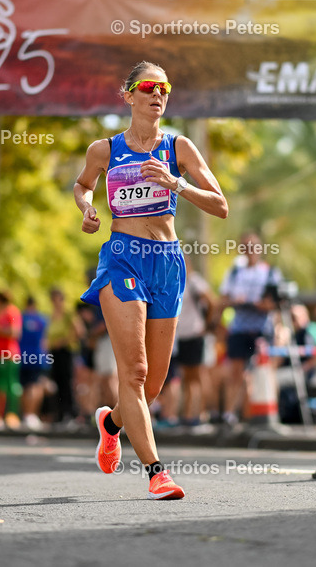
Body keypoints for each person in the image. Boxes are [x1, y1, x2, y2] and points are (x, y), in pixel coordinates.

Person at [76, 61, 228, 500]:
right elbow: (83, 185)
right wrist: (86, 210)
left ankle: (112, 423)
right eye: (148, 87)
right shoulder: (104, 150)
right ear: (128, 95)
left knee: (154, 383)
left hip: (168, 262)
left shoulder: (179, 147)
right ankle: (157, 472)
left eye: (164, 88)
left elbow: (220, 205)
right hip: (122, 259)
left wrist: (175, 183)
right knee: (136, 371)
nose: (157, 94)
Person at [218, 233, 283, 427]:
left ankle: (267, 412)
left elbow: (276, 303)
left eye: (253, 246)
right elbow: (222, 299)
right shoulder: (234, 273)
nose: (250, 250)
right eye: (246, 246)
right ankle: (230, 415)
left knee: (264, 371)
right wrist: (237, 302)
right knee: (235, 373)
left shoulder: (270, 273)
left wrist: (260, 305)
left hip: (262, 329)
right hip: (239, 329)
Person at [175, 256, 217, 428]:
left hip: (196, 334)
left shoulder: (195, 282)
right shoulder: (177, 282)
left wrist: (206, 326)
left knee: (199, 376)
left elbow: (212, 303)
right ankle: (188, 414)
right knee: (187, 376)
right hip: (182, 335)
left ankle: (202, 412)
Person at [46, 288, 82, 425]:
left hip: (66, 351)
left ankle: (70, 413)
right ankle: (60, 413)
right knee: (57, 382)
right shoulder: (52, 315)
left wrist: (63, 341)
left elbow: (78, 331)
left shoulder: (68, 313)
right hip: (54, 352)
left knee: (67, 381)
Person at [0, 290, 22, 430]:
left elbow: (15, 332)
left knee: (10, 385)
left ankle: (11, 414)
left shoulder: (12, 312)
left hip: (9, 354)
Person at [19, 296, 48, 431]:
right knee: (35, 386)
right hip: (37, 356)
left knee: (25, 387)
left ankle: (26, 415)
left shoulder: (21, 318)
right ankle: (32, 415)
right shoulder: (42, 320)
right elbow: (45, 340)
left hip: (23, 356)